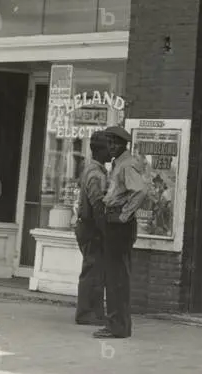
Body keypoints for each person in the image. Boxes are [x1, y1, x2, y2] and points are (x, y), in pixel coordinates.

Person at [94, 124, 148, 339]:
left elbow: (141, 190)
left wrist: (124, 215)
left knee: (117, 277)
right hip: (114, 220)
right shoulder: (120, 163)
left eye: (111, 143)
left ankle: (117, 326)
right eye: (108, 143)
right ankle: (117, 324)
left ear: (118, 144)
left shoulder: (126, 165)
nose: (109, 148)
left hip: (119, 224)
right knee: (115, 275)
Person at [75, 129, 110, 326]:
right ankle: (85, 312)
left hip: (88, 226)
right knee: (92, 270)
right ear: (100, 151)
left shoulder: (93, 170)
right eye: (108, 147)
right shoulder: (96, 175)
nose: (111, 151)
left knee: (97, 269)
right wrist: (104, 229)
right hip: (91, 227)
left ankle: (95, 312)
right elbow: (97, 205)